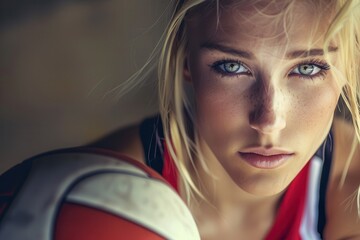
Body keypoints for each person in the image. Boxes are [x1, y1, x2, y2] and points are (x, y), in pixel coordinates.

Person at [1, 0, 360, 239]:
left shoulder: (350, 193)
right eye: (231, 67)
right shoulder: (88, 199)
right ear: (185, 62)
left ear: (349, 64)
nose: (268, 120)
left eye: (308, 68)